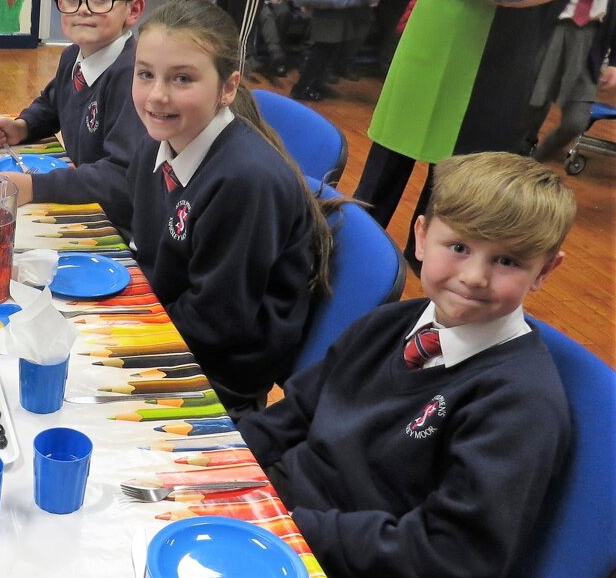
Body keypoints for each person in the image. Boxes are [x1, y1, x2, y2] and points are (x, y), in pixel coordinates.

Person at [237, 151, 575, 577]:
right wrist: (217, 463)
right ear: (421, 235)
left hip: (330, 556)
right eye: (459, 247)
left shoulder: (520, 405)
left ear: (544, 271)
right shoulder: (390, 324)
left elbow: (450, 554)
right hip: (272, 513)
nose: (474, 276)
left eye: (507, 261)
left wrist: (286, 526)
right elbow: (294, 415)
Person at [125, 0, 336, 416]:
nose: (156, 95)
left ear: (228, 87)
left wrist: (120, 338)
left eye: (182, 78)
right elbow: (153, 256)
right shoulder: (159, 141)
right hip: (172, 332)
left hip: (213, 377)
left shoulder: (244, 182)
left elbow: (215, 323)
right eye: (145, 74)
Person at [354, 0, 587, 269]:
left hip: (503, 52)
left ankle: (427, 267)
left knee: (459, 172)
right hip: (432, 36)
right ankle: (355, 244)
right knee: (390, 150)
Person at [0, 0, 151, 237]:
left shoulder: (132, 77)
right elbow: (51, 104)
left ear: (133, 10)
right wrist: (22, 126)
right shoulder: (72, 55)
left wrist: (35, 186)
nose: (82, 10)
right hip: (85, 201)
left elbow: (120, 177)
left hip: (118, 227)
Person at [523, 0, 616, 161]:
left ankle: (537, 160)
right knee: (533, 104)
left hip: (588, 44)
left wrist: (614, 63)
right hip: (553, 33)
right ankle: (517, 152)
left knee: (576, 121)